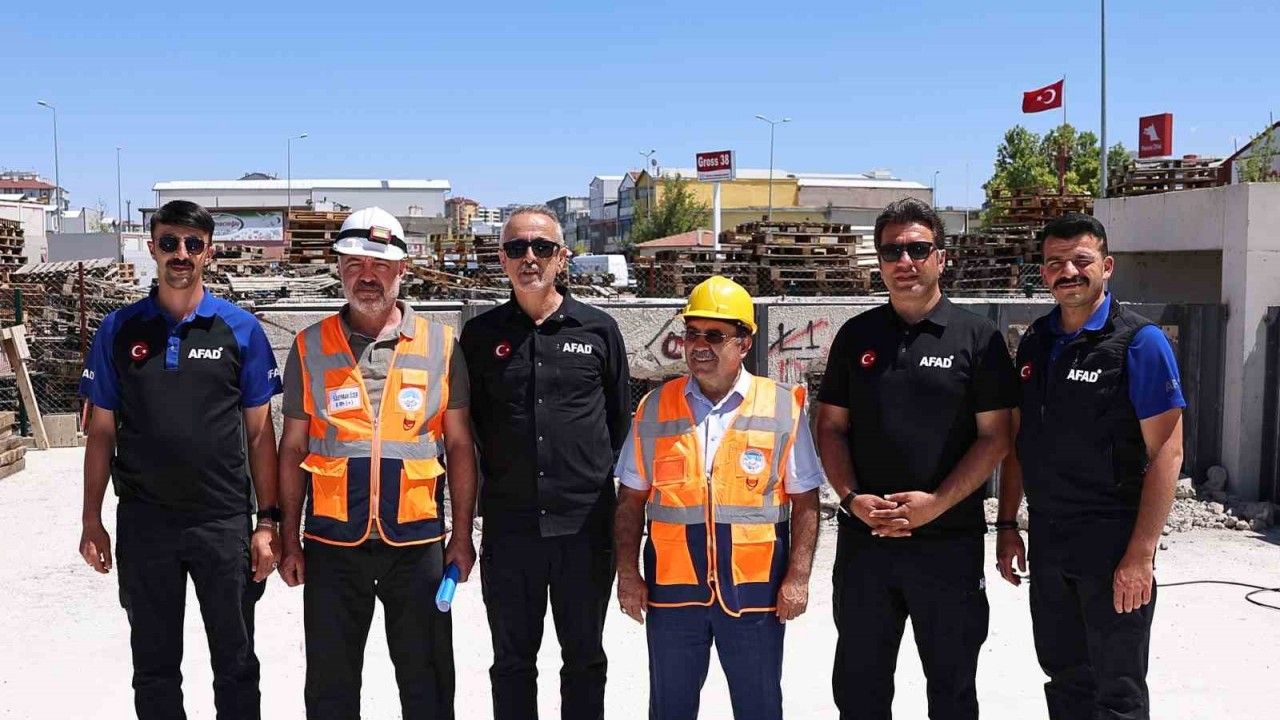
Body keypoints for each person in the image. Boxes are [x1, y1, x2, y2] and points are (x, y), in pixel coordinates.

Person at [78, 199, 282, 719]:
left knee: (236, 665)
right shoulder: (118, 329)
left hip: (223, 523)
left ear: (209, 252)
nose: (181, 254)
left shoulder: (241, 330)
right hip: (145, 523)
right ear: (152, 248)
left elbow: (261, 434)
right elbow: (101, 433)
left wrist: (268, 522)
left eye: (193, 244)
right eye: (169, 242)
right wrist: (91, 520)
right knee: (154, 669)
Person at [815, 197, 1018, 720]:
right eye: (892, 251)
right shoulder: (856, 336)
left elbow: (996, 438)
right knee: (859, 693)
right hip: (865, 547)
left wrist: (936, 504)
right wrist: (852, 499)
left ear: (941, 258)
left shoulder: (978, 338)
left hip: (948, 547)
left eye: (918, 249)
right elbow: (830, 427)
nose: (905, 261)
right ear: (879, 263)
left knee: (952, 693)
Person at [276, 207, 477, 720]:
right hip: (332, 543)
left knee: (427, 681)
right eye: (354, 264)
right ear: (339, 269)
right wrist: (289, 538)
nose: (367, 276)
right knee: (331, 685)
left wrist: (460, 537)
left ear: (402, 269)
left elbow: (458, 446)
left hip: (415, 542)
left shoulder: (441, 345)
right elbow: (293, 447)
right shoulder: (309, 346)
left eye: (380, 265)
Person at [996, 213, 1185, 720]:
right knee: (1064, 678)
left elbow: (1167, 453)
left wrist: (1141, 554)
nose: (1069, 272)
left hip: (1113, 543)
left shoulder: (1141, 342)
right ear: (1043, 272)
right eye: (1055, 262)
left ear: (1107, 266)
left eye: (1081, 260)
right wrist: (1008, 525)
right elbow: (1020, 441)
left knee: (1118, 690)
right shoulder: (1036, 341)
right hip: (1049, 541)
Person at [614, 275, 822, 720]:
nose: (699, 345)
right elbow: (630, 501)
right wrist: (628, 575)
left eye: (714, 335)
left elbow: (806, 500)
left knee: (759, 707)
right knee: (669, 709)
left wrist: (798, 577)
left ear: (743, 343)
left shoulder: (782, 406)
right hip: (673, 593)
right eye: (692, 333)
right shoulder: (654, 407)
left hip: (755, 593)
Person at [460, 205, 631, 720]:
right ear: (501, 259)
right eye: (516, 248)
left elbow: (618, 424)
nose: (529, 258)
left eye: (541, 247)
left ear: (562, 257)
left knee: (584, 659)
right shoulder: (480, 336)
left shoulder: (599, 330)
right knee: (512, 663)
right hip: (511, 531)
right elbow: (469, 430)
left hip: (585, 530)